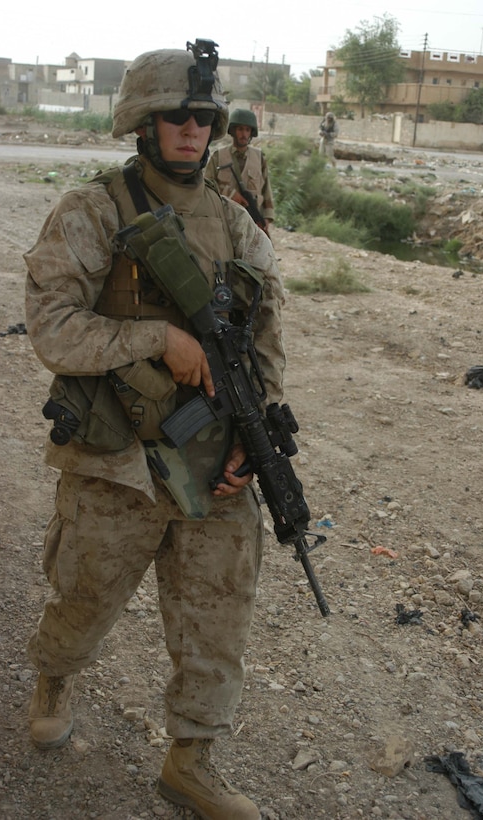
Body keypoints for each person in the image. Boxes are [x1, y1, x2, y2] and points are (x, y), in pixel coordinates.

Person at [23, 40, 285, 820]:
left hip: (213, 464)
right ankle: (54, 676)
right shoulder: (93, 211)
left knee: (218, 613)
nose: (191, 129)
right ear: (142, 122)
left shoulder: (238, 229)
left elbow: (266, 339)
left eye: (201, 115)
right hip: (116, 459)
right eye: (174, 115)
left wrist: (253, 433)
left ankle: (191, 761)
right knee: (85, 595)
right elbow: (52, 330)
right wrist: (156, 341)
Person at [205, 108, 274, 234]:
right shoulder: (218, 156)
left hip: (252, 221)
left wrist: (267, 218)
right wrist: (229, 194)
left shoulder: (259, 158)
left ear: (251, 133)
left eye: (247, 130)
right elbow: (206, 185)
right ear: (233, 131)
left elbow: (266, 190)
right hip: (224, 220)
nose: (244, 134)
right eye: (240, 129)